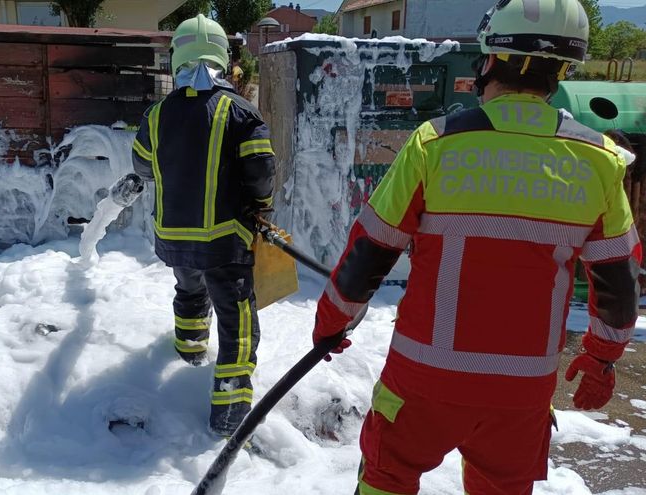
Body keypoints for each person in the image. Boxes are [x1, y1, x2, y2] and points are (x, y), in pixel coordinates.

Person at [311, 1, 641, 493]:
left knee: (386, 478)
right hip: (521, 392)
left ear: (489, 61)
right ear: (562, 70)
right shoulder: (599, 161)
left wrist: (332, 324)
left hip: (423, 381)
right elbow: (618, 279)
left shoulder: (434, 145)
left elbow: (371, 249)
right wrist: (601, 357)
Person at [130, 14, 276, 436]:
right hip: (225, 242)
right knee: (238, 322)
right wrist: (260, 207)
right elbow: (262, 174)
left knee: (190, 291)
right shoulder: (242, 112)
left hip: (174, 238)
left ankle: (189, 355)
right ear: (223, 59)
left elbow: (142, 166)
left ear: (177, 59)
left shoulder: (156, 115)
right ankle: (229, 419)